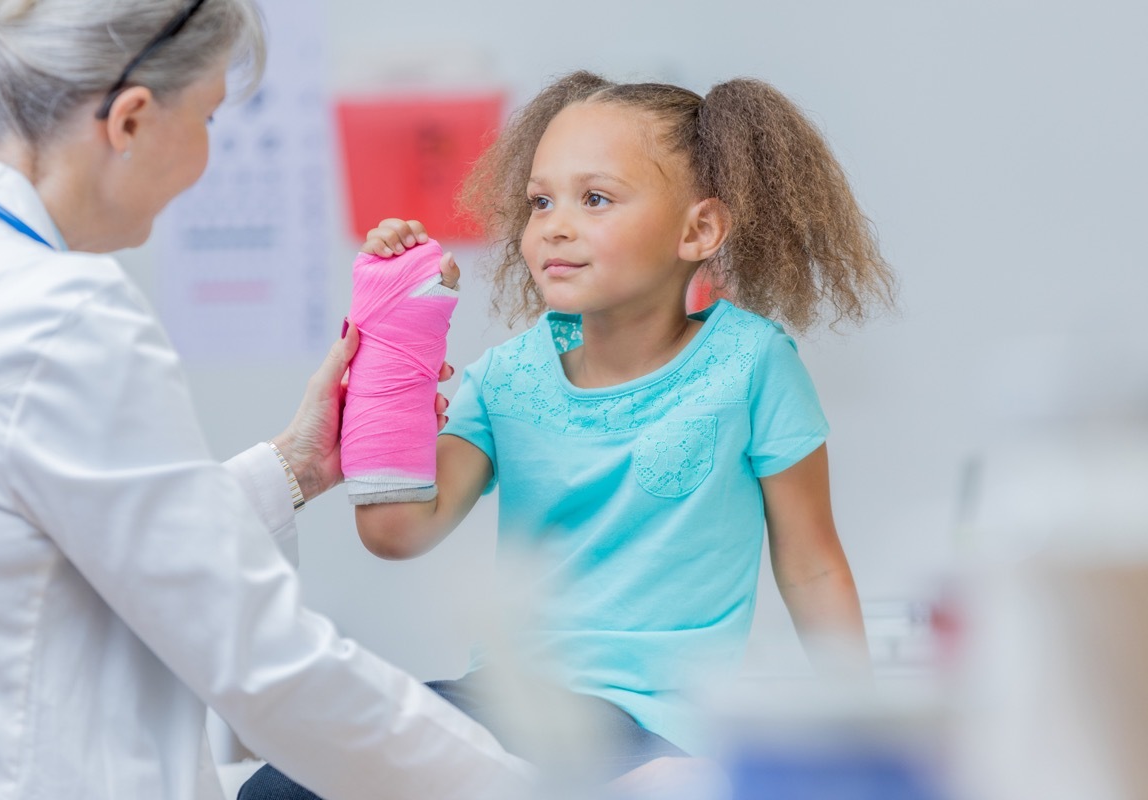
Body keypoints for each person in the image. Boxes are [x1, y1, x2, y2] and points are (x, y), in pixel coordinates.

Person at [244, 68, 896, 797]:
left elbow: (811, 565)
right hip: (510, 703)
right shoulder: (508, 379)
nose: (554, 224)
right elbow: (396, 530)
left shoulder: (752, 365)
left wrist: (861, 735)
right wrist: (395, 334)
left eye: (595, 199)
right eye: (540, 201)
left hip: (663, 721)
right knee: (279, 787)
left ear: (699, 229)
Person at [0, 1, 537, 798]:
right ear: (130, 120)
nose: (205, 159)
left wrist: (295, 465)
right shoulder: (65, 318)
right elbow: (267, 662)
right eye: (209, 119)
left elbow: (67, 537)